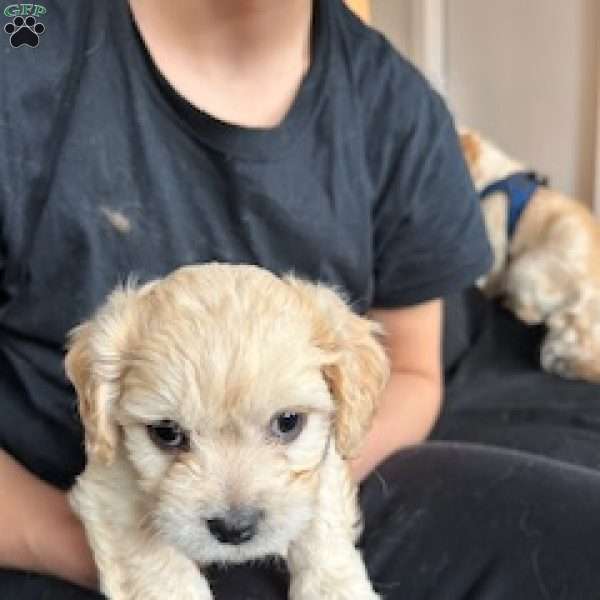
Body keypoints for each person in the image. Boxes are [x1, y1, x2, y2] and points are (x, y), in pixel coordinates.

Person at [0, 1, 599, 598]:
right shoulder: (22, 38)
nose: (233, 507)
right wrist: (106, 554)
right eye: (168, 433)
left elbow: (413, 370)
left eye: (286, 422)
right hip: (52, 516)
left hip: (326, 496)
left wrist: (321, 520)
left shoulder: (395, 105)